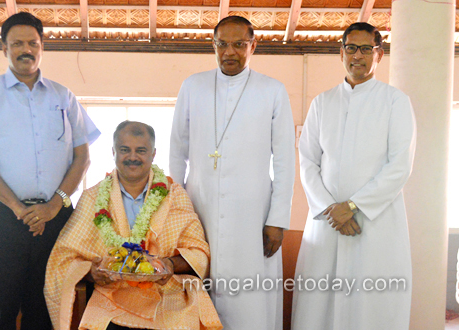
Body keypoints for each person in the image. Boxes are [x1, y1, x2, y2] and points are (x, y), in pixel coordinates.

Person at [0, 12, 100, 330]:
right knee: (3, 308)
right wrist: (19, 208)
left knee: (46, 308)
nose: (25, 49)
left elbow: (82, 157)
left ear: (42, 46)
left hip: (57, 217)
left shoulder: (64, 97)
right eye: (17, 43)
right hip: (5, 216)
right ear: (4, 49)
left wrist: (54, 204)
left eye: (32, 43)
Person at [169, 15, 296, 330]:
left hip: (253, 214)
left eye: (239, 44)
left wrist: (277, 220)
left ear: (253, 45)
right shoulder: (192, 86)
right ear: (213, 45)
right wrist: (177, 210)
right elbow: (176, 151)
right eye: (222, 44)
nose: (230, 52)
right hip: (200, 208)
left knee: (250, 302)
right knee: (199, 291)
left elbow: (284, 160)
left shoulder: (273, 90)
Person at [292, 22, 416, 330]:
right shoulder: (323, 102)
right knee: (319, 304)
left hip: (374, 223)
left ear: (379, 55)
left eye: (365, 49)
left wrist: (354, 206)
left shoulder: (395, 102)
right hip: (328, 222)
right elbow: (307, 160)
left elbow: (400, 165)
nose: (357, 56)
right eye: (351, 48)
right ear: (341, 52)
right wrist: (331, 207)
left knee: (371, 306)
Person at [44, 121, 222, 330]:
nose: (132, 157)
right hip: (112, 295)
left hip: (166, 292)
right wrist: (92, 273)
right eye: (124, 150)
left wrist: (170, 265)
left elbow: (198, 251)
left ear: (153, 154)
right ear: (113, 152)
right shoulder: (92, 197)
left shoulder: (174, 195)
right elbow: (64, 257)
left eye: (141, 150)